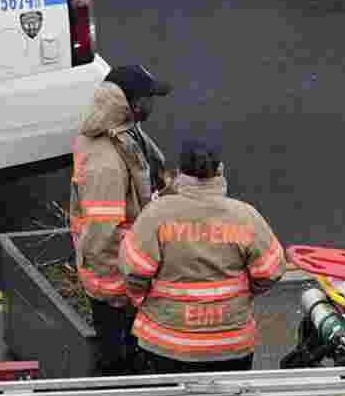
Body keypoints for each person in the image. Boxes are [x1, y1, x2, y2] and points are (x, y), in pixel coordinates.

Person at [118, 133, 286, 372]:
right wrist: (241, 297)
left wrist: (143, 299)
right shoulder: (245, 216)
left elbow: (133, 270)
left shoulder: (156, 216)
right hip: (230, 344)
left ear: (179, 172)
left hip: (166, 344)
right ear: (221, 169)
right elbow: (270, 271)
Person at [67, 61, 176, 371]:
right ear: (131, 102)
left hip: (126, 276)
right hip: (114, 287)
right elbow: (103, 233)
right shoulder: (105, 161)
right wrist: (122, 289)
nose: (153, 104)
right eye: (150, 97)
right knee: (118, 365)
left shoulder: (124, 131)